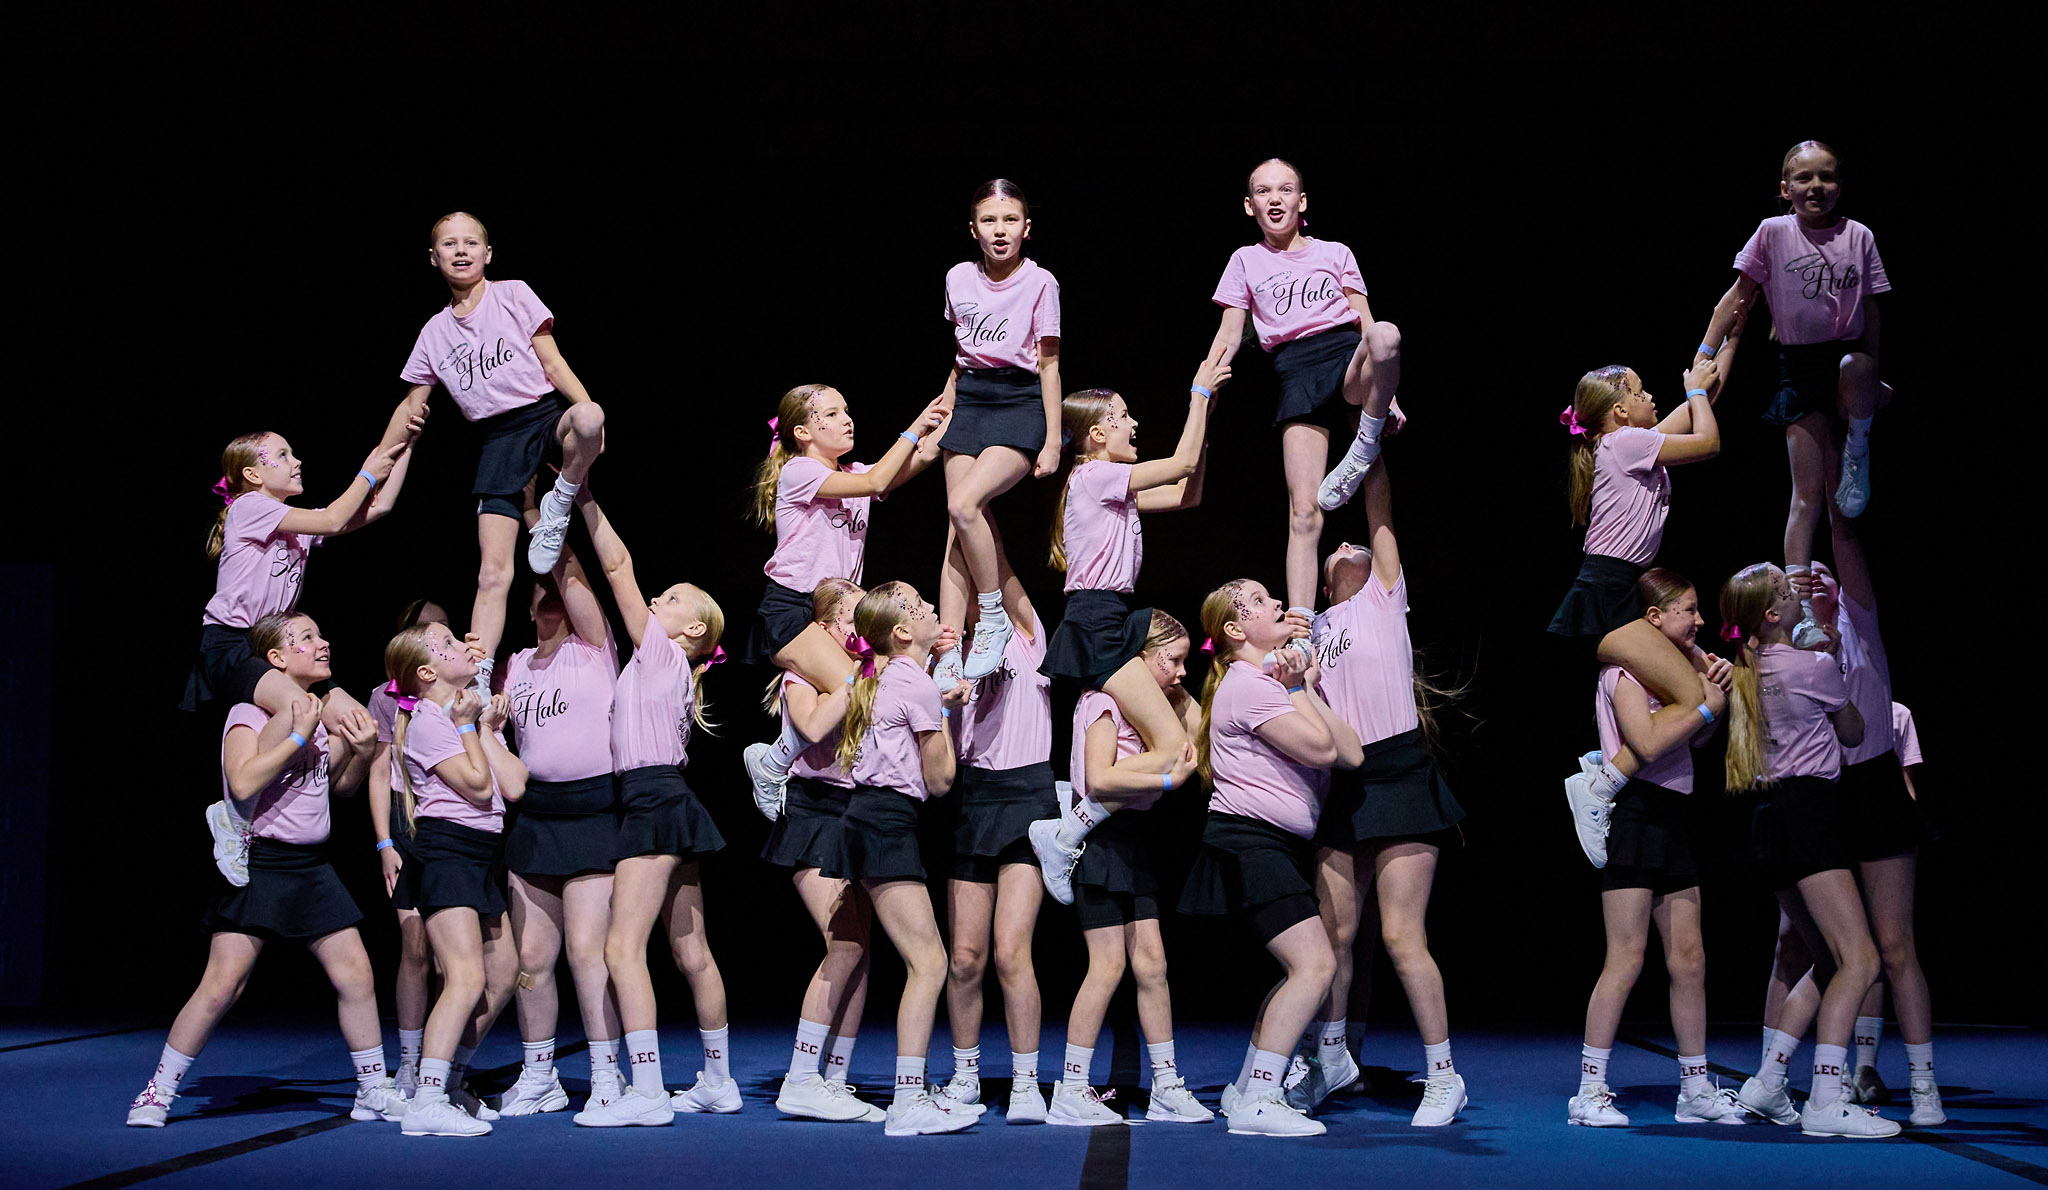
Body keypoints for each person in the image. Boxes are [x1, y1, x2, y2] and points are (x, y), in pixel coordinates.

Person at [130, 613, 406, 1128]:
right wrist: (298, 736)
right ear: (275, 659)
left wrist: (362, 751)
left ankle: (372, 1089)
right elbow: (241, 781)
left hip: (311, 865)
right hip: (260, 862)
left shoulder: (320, 712)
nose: (323, 643)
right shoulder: (248, 713)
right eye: (307, 638)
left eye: (321, 635)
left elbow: (338, 786)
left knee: (357, 975)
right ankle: (157, 1092)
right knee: (222, 986)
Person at [1301, 460, 1473, 1125]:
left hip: (1399, 772)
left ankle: (1444, 1077)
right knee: (1334, 937)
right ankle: (1330, 1060)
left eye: (1357, 544)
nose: (1347, 542)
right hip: (1343, 784)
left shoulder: (1383, 597)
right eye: (1336, 547)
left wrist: (1371, 443)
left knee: (1402, 936)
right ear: (1322, 582)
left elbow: (1379, 511)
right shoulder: (1312, 627)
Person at [379, 210, 610, 696]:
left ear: (487, 253)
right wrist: (376, 462)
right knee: (493, 572)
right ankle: (480, 674)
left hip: (543, 416)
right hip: (497, 440)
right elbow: (411, 404)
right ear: (434, 257)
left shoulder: (513, 293)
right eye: (449, 244)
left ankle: (559, 501)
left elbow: (552, 361)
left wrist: (587, 412)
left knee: (590, 417)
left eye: (470, 243)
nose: (460, 251)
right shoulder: (434, 332)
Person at [1028, 363, 1228, 900]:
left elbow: (1185, 493)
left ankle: (1070, 818)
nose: (1133, 423)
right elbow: (1181, 463)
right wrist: (1199, 395)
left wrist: (1204, 427)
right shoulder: (1095, 476)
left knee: (1182, 739)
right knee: (1172, 750)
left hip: (1111, 616)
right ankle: (1066, 828)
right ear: (1097, 434)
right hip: (1097, 620)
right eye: (1122, 416)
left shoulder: (1111, 487)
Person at [569, 489, 732, 1127]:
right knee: (691, 952)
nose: (658, 599)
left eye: (672, 598)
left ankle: (647, 1091)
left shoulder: (661, 653)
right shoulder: (657, 664)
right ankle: (718, 1081)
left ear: (692, 631)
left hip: (653, 802)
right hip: (666, 799)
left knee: (621, 949)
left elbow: (617, 567)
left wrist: (583, 496)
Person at [1718, 565, 1898, 1138]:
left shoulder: (1747, 669)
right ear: (1773, 614)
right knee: (1861, 960)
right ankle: (1824, 1099)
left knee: (1827, 958)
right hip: (1810, 815)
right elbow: (1854, 732)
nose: (1797, 593)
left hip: (1768, 821)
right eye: (1786, 590)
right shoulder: (1813, 666)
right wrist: (1831, 658)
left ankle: (1768, 1082)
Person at [1692, 141, 1892, 645]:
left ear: (1840, 186)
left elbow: (1872, 311)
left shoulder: (1859, 235)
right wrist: (1705, 352)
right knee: (1806, 496)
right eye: (1804, 178)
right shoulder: (1773, 232)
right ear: (1785, 188)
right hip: (1799, 367)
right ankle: (1800, 614)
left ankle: (1859, 446)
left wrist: (1874, 378)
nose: (1815, 186)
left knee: (1856, 367)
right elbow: (1738, 296)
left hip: (1848, 362)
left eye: (1826, 177)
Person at [1183, 579, 1363, 1137]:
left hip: (1269, 843)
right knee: (1315, 967)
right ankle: (1261, 1098)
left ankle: (1245, 1089)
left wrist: (1300, 686)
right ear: (1235, 630)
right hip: (1249, 841)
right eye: (1260, 602)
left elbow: (1352, 754)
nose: (1278, 604)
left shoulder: (1265, 685)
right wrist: (1298, 687)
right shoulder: (1249, 687)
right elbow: (1324, 750)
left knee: (1302, 968)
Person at [1562, 570, 1740, 1127]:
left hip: (1673, 813)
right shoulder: (1621, 672)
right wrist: (1705, 706)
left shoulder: (1682, 670)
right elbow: (1645, 741)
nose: (1700, 620)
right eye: (1689, 609)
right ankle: (1589, 1091)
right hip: (1634, 812)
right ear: (1655, 617)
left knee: (1690, 958)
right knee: (1626, 958)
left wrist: (1713, 698)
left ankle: (1695, 1089)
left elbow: (1696, 740)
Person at [1551, 352, 1732, 866]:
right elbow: (1708, 440)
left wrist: (1724, 335)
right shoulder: (1627, 443)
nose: (1651, 396)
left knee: (1702, 681)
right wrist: (1694, 392)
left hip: (1623, 588)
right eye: (1640, 390)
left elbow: (1702, 399)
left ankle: (1604, 770)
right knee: (1694, 694)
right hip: (1608, 592)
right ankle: (1600, 786)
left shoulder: (1631, 442)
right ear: (1620, 411)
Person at [1203, 157, 1406, 609]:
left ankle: (1364, 442)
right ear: (1249, 205)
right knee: (1304, 511)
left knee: (1386, 335)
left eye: (1285, 189)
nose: (1275, 199)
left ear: (1302, 200)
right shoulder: (1245, 260)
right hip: (1295, 372)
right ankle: (1300, 625)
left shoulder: (1335, 252)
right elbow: (1229, 335)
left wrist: (1387, 395)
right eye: (1263, 191)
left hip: (1348, 360)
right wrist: (1203, 386)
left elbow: (1365, 321)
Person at [740, 385, 947, 811]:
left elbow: (925, 455)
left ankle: (782, 761)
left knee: (849, 694)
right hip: (793, 609)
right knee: (863, 688)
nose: (847, 419)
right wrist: (913, 427)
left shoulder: (855, 473)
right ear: (802, 432)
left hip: (836, 611)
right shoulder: (800, 471)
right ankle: (775, 762)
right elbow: (877, 480)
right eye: (832, 414)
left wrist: (958, 387)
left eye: (846, 410)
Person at [1051, 612, 1210, 1127]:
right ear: (1140, 657)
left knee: (1153, 964)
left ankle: (1167, 1086)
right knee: (1107, 966)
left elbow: (1199, 746)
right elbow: (1099, 778)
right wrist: (1165, 781)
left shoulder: (1155, 710)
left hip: (1135, 840)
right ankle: (1070, 1089)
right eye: (1173, 660)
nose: (1182, 671)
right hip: (1098, 840)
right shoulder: (1101, 702)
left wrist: (1179, 697)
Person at [835, 582, 980, 1135]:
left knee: (920, 960)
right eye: (919, 608)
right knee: (930, 963)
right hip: (884, 823)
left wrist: (938, 700)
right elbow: (940, 781)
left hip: (873, 819)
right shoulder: (914, 682)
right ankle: (907, 1101)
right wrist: (945, 711)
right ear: (901, 632)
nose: (931, 611)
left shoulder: (891, 677)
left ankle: (910, 1095)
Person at [497, 496, 626, 1116]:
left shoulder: (594, 647)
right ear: (527, 607)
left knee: (587, 953)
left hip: (594, 810)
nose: (553, 597)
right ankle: (539, 1074)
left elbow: (569, 572)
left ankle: (607, 1075)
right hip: (536, 817)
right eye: (541, 592)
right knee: (531, 958)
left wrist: (536, 520)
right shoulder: (514, 666)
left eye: (559, 590)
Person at [383, 620, 530, 1137]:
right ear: (426, 673)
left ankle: (450, 1082)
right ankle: (426, 1099)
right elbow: (476, 786)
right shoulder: (427, 722)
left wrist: (484, 728)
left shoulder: (465, 714)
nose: (461, 645)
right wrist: (468, 726)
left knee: (504, 974)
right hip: (446, 850)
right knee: (465, 977)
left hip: (481, 853)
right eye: (445, 644)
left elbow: (514, 784)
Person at [760, 578, 886, 1124]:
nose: (863, 630)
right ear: (825, 626)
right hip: (813, 813)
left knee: (861, 948)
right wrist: (856, 678)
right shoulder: (804, 675)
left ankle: (834, 1079)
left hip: (855, 813)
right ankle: (801, 1077)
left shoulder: (868, 671)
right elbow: (811, 727)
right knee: (845, 944)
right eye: (854, 618)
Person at [936, 559, 1056, 1121]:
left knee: (1011, 952)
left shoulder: (1026, 637)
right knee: (964, 958)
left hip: (1027, 794)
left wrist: (968, 516)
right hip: (972, 798)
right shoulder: (948, 658)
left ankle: (1026, 1083)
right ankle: (966, 1075)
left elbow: (995, 562)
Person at [933, 178, 1063, 683]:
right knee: (957, 528)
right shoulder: (958, 277)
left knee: (964, 504)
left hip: (1019, 401)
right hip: (971, 399)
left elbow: (1049, 365)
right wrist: (948, 400)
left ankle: (992, 617)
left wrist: (1052, 440)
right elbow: (961, 352)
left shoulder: (1041, 282)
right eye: (989, 220)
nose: (1000, 229)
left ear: (1026, 228)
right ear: (974, 229)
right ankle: (948, 649)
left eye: (1010, 220)